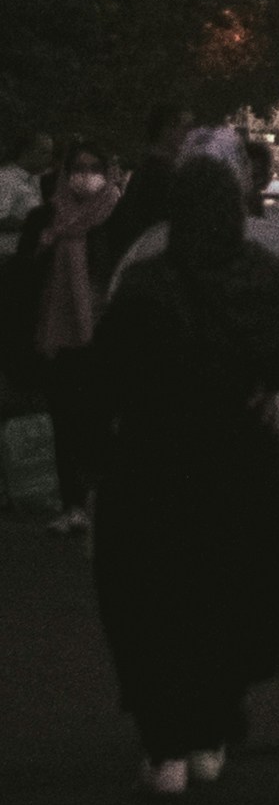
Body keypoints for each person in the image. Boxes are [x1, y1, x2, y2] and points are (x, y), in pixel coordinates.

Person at [86, 152, 279, 793]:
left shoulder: (146, 285)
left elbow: (104, 377)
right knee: (230, 591)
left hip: (153, 461)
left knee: (155, 596)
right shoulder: (262, 276)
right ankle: (213, 727)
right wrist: (274, 377)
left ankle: (164, 740)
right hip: (239, 459)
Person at [20, 146, 125, 532]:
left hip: (102, 336)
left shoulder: (116, 218)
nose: (85, 176)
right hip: (58, 335)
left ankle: (105, 500)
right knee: (65, 421)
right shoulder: (45, 219)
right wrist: (42, 247)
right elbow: (25, 280)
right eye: (77, 168)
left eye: (93, 168)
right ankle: (73, 504)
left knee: (100, 421)